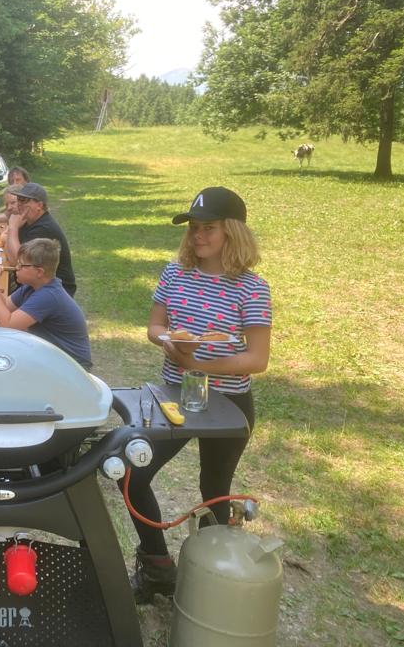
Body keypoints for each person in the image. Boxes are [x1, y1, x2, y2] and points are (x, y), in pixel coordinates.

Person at [121, 186, 272, 603]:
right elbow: (155, 327)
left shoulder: (252, 288)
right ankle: (158, 567)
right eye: (193, 228)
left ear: (233, 233)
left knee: (214, 491)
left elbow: (257, 358)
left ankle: (208, 580)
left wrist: (198, 366)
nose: (198, 236)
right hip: (175, 397)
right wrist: (169, 342)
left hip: (228, 404)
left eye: (209, 228)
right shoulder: (175, 274)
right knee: (134, 472)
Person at [0, 239, 92, 370]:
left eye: (21, 265)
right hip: (54, 357)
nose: (16, 268)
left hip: (72, 366)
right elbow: (4, 308)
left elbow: (6, 326)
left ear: (39, 272)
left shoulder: (49, 296)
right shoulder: (32, 287)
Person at [3, 182, 77, 296]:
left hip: (55, 291)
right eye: (19, 200)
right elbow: (11, 256)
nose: (19, 204)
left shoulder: (43, 228)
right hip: (35, 284)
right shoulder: (28, 222)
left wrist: (12, 228)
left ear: (39, 205)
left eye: (24, 200)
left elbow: (17, 261)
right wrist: (11, 231)